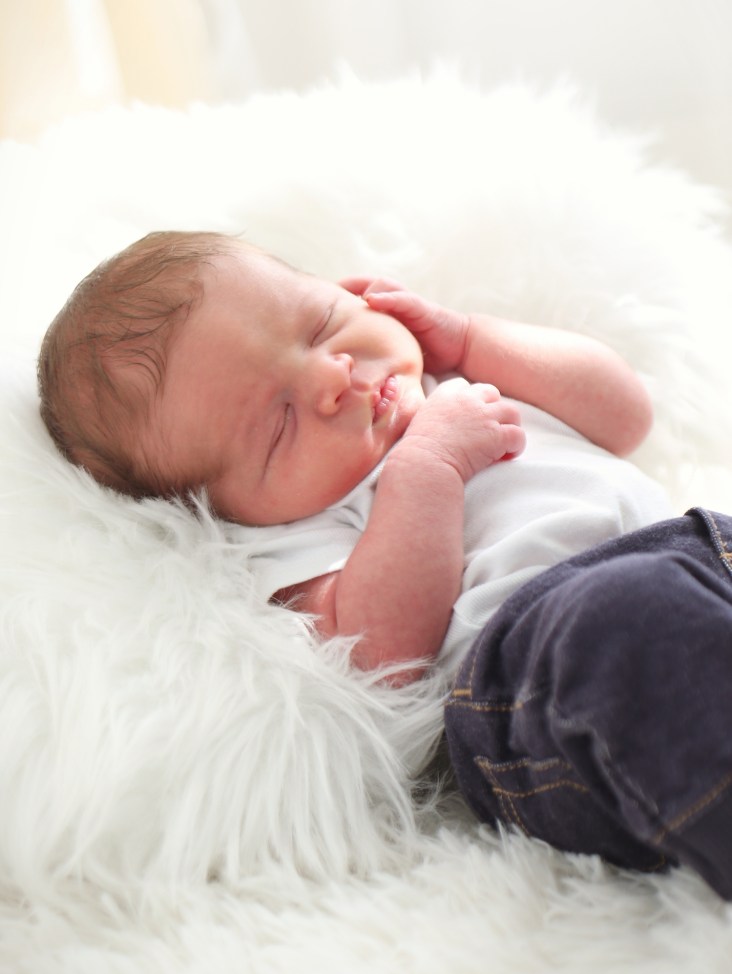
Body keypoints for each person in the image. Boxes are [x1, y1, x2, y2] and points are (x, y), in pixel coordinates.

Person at [37, 230, 732, 899]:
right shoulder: (292, 529)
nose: (334, 377)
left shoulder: (455, 373)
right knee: (631, 624)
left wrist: (469, 337)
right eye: (280, 422)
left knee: (664, 608)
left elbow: (626, 414)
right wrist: (429, 468)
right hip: (534, 680)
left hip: (693, 548)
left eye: (320, 326)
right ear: (217, 504)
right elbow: (381, 654)